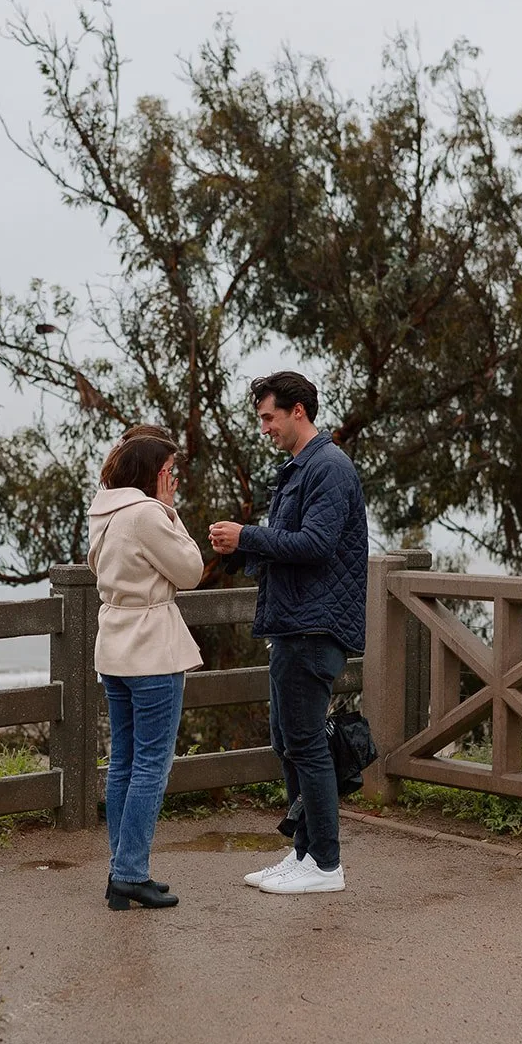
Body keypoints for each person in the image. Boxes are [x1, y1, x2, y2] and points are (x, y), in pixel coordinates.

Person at [209, 371, 367, 896]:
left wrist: (248, 533)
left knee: (304, 743)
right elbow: (290, 545)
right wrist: (241, 547)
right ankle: (303, 853)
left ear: (298, 411)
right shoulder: (303, 467)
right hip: (295, 622)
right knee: (287, 740)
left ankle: (325, 864)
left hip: (314, 626)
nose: (264, 428)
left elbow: (316, 544)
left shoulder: (328, 467)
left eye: (268, 417)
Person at [88, 434, 205, 910]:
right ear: (156, 473)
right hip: (151, 649)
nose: (173, 480)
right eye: (170, 471)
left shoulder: (105, 513)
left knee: (124, 762)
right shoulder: (147, 514)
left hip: (114, 646)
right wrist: (171, 511)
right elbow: (191, 569)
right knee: (151, 765)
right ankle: (129, 873)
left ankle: (124, 868)